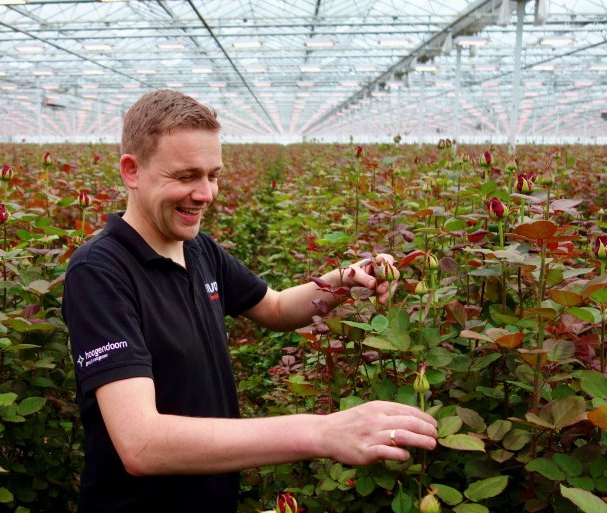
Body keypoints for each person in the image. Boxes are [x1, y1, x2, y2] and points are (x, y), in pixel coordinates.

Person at [62, 89, 437, 513]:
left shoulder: (199, 250)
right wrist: (324, 433)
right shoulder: (100, 272)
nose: (206, 194)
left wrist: (341, 282)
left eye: (213, 175)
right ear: (132, 171)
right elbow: (142, 444)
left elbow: (275, 308)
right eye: (186, 177)